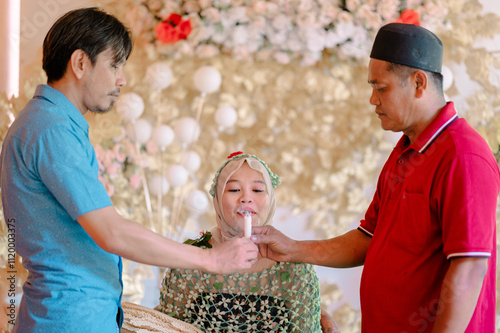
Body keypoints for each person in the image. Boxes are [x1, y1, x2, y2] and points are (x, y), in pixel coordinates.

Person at [0, 8, 258, 332]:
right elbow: (112, 232)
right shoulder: (51, 130)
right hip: (69, 318)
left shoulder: (50, 122)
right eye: (114, 64)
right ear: (80, 63)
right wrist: (212, 260)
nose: (122, 79)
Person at [252, 23, 499, 333]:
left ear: (418, 83)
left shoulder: (463, 155)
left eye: (381, 88)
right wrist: (291, 249)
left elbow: (470, 267)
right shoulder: (405, 149)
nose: (372, 99)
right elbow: (368, 238)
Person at [156, 152, 339, 332]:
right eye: (234, 190)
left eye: (258, 190)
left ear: (271, 199)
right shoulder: (190, 263)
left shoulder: (295, 270)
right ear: (218, 199)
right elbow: (166, 326)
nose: (246, 198)